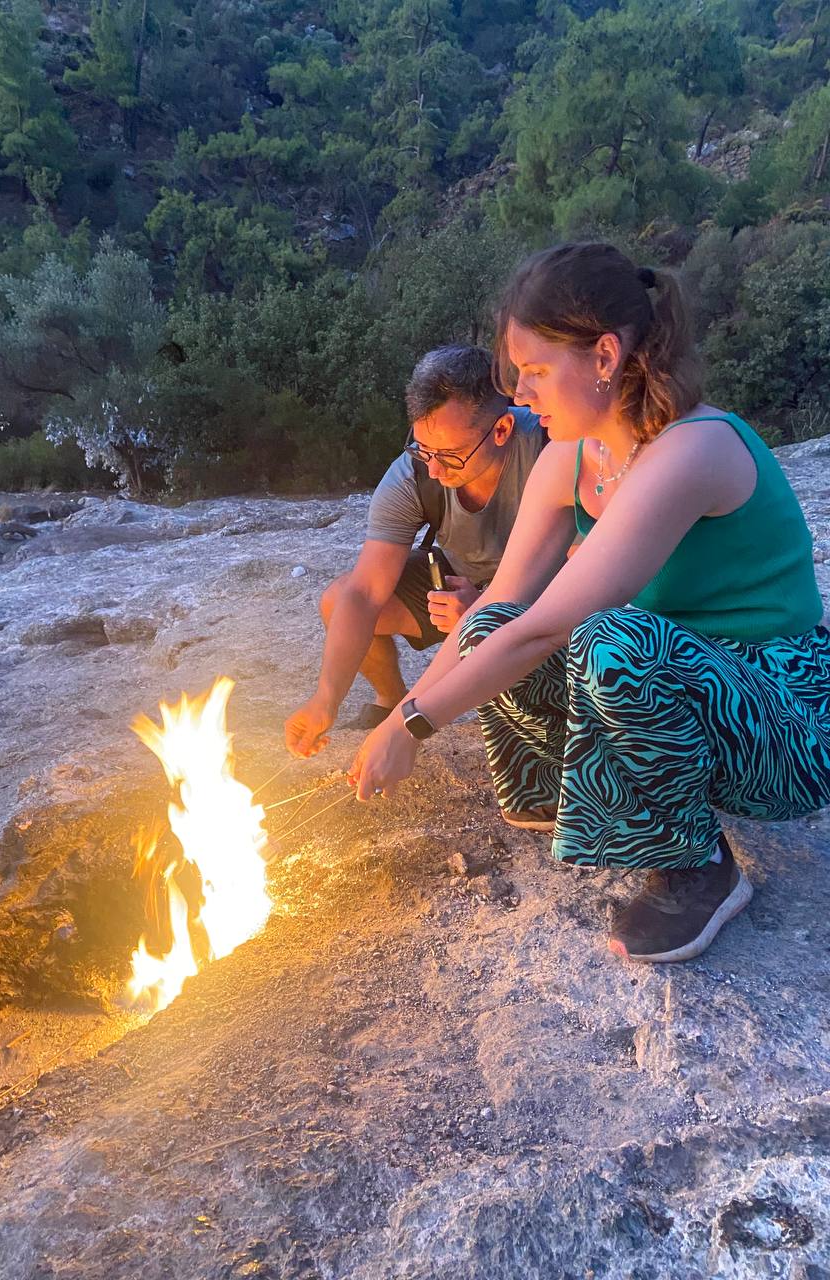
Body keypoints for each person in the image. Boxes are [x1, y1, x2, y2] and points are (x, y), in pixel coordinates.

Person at [349, 241, 830, 965]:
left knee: (608, 642)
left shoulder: (691, 450)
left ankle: (696, 868)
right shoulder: (569, 460)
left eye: (537, 371)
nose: (523, 394)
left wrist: (413, 725)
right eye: (520, 374)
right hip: (691, 687)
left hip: (787, 717)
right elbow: (501, 611)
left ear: (605, 357)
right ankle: (569, 796)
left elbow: (552, 628)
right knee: (494, 626)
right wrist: (403, 710)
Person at [284, 344, 545, 758]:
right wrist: (326, 698)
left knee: (491, 628)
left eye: (449, 456)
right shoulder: (414, 475)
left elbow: (586, 576)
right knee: (340, 598)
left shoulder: (549, 450)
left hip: (540, 591)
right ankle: (390, 701)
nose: (435, 470)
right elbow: (365, 593)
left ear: (502, 429)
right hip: (458, 580)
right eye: (422, 448)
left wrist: (484, 611)